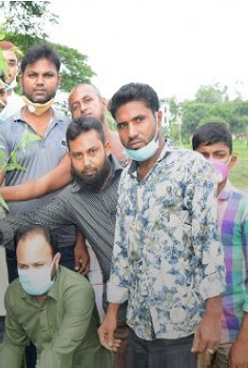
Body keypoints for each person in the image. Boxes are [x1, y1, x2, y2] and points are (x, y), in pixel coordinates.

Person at [0, 115, 130, 366]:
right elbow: (34, 219)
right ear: (69, 158)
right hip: (120, 305)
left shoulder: (134, 182)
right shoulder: (73, 199)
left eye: (93, 151)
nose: (87, 162)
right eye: (77, 155)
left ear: (107, 148)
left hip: (163, 298)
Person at [98, 83, 225, 368]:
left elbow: (208, 243)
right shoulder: (127, 180)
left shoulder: (192, 167)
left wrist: (213, 314)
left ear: (158, 117)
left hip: (181, 326)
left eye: (139, 120)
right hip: (139, 324)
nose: (131, 133)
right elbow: (122, 251)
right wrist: (112, 311)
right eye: (122, 125)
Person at [0, 43, 84, 368]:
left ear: (58, 79)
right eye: (33, 74)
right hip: (17, 247)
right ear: (20, 79)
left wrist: (81, 241)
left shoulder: (72, 129)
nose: (40, 81)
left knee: (63, 329)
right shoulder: (4, 130)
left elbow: (77, 187)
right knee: (24, 328)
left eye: (48, 75)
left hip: (62, 244)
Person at [0, 225, 112, 367]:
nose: (31, 273)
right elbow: (12, 345)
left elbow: (60, 350)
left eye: (38, 265)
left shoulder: (78, 290)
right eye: (23, 266)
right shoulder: (14, 293)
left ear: (56, 261)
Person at [192, 122, 248, 368]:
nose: (211, 161)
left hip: (233, 333)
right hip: (195, 331)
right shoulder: (184, 206)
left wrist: (244, 343)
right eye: (203, 156)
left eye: (219, 155)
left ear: (231, 161)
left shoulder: (243, 208)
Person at [68, 83, 126, 161]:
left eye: (87, 100)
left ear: (104, 104)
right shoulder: (72, 157)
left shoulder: (129, 143)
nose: (82, 108)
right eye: (75, 107)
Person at [0, 40, 24, 122]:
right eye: (0, 62)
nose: (6, 68)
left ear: (18, 70)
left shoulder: (23, 108)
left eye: (11, 64)